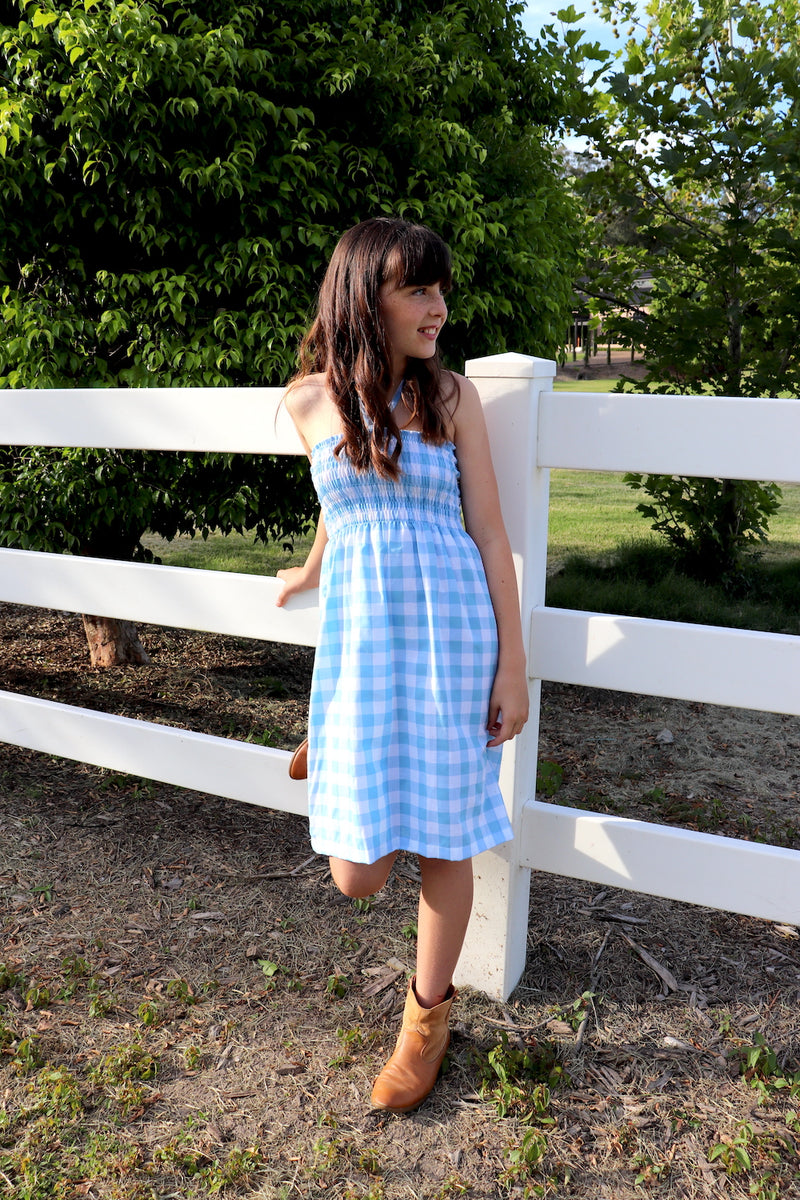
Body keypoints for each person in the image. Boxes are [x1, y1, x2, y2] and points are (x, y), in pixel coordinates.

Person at [275, 216, 528, 1112]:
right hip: (363, 647)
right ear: (364, 299)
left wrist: (514, 668)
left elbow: (491, 533)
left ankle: (426, 1020)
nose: (439, 307)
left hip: (452, 638)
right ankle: (334, 748)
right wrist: (309, 570)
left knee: (441, 836)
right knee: (358, 874)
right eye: (418, 290)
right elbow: (337, 494)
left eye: (439, 289)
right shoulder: (310, 402)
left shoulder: (453, 399)